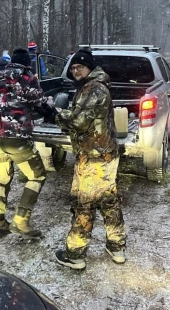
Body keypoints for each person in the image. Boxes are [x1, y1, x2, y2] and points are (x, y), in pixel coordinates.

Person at [53, 49, 126, 270]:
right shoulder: (93, 85)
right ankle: (117, 247)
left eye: (80, 67)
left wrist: (54, 113)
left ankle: (75, 254)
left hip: (94, 157)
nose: (76, 71)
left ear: (89, 68)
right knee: (108, 200)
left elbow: (79, 121)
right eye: (73, 68)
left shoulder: (94, 88)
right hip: (103, 153)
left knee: (84, 203)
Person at [0, 47, 56, 239]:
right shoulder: (27, 79)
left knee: (3, 179)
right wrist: (52, 115)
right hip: (18, 139)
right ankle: (21, 221)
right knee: (37, 176)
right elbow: (39, 103)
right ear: (27, 64)